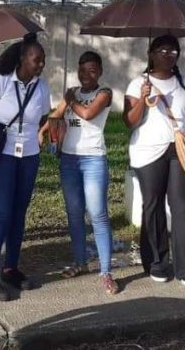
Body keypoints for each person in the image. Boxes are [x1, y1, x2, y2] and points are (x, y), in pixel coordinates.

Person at [0, 33, 51, 302]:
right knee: (1, 213)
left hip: (28, 155)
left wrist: (39, 134)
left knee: (19, 212)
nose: (41, 64)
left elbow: (43, 117)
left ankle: (10, 268)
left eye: (43, 60)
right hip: (2, 154)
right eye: (36, 59)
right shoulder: (0, 81)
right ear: (22, 58)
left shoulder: (42, 87)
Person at [124, 35, 185, 288]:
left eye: (173, 50)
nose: (169, 54)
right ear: (151, 53)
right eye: (162, 50)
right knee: (153, 205)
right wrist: (144, 100)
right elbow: (130, 121)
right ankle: (157, 262)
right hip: (147, 151)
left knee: (182, 207)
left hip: (180, 150)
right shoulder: (137, 83)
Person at [38, 51, 118, 295]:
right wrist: (42, 131)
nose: (86, 76)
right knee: (74, 214)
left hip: (93, 159)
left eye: (92, 71)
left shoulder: (104, 93)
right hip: (69, 160)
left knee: (98, 214)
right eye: (82, 71)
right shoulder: (72, 93)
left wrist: (70, 99)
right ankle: (80, 262)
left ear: (100, 72)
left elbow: (88, 113)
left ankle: (106, 272)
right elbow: (56, 116)